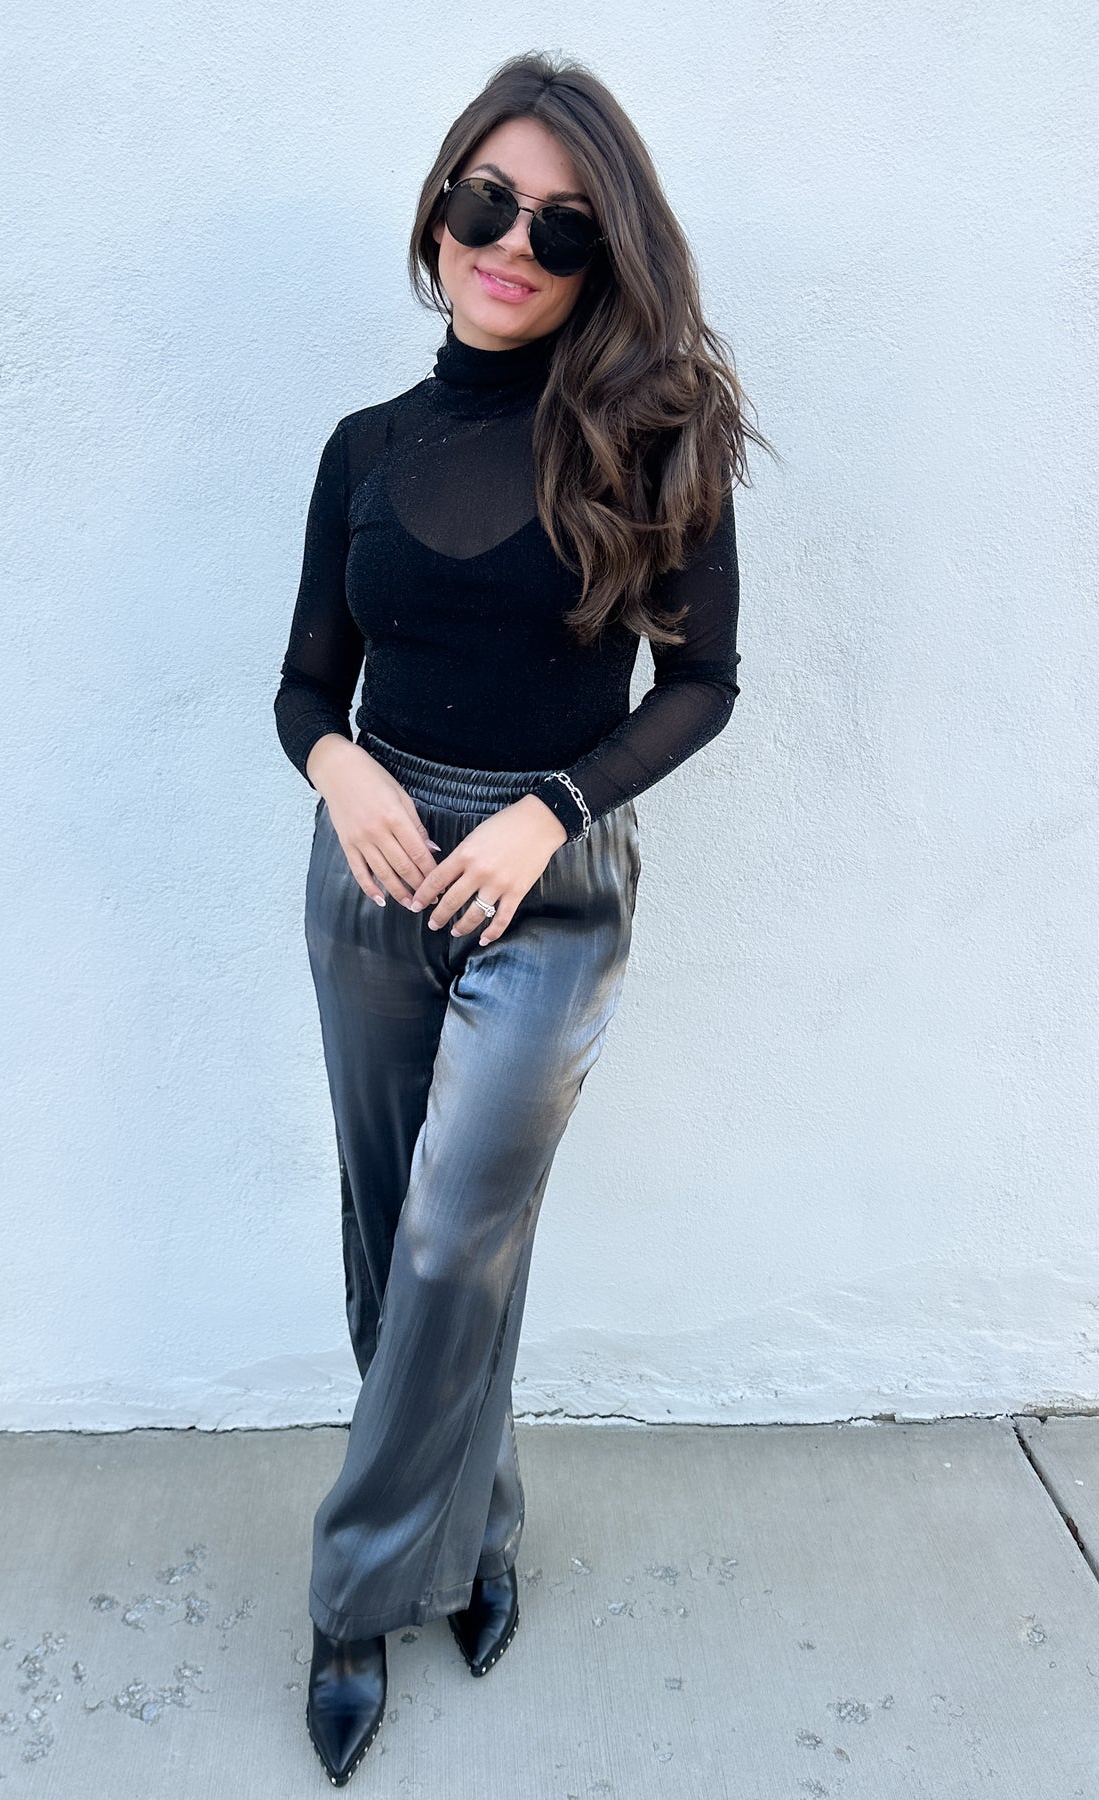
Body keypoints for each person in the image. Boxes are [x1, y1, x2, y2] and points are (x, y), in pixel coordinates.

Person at [273, 50, 772, 1787]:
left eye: (561, 226)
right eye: (487, 203)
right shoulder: (362, 448)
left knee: (449, 1240)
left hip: (546, 888)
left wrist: (552, 808)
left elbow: (700, 683)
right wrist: (337, 766)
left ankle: (352, 1598)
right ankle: (473, 1520)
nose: (512, 245)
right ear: (438, 211)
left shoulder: (652, 437)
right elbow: (303, 682)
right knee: (389, 1234)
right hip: (371, 870)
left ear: (603, 255)